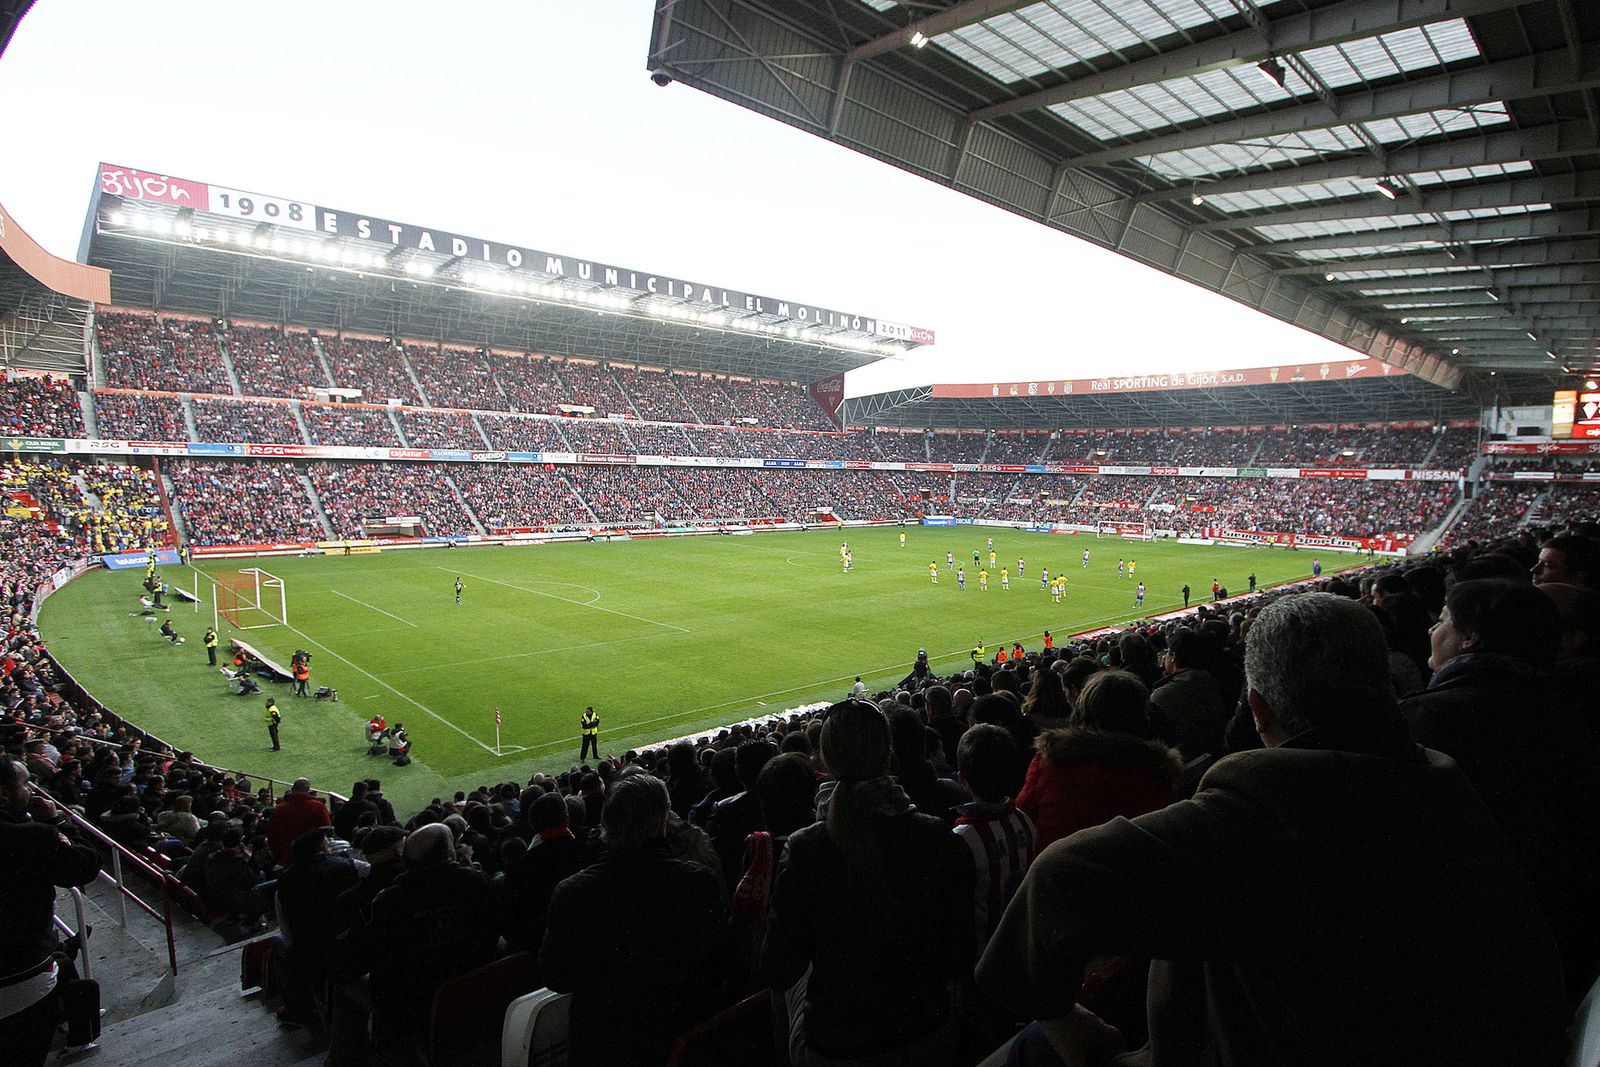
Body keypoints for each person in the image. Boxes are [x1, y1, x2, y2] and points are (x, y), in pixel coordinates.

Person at [979, 593, 1571, 1066]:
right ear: (1386, 687)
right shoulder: (1447, 782)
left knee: (1028, 1048)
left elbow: (1057, 880)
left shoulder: (1261, 815)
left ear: (1258, 710)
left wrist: (1060, 1019)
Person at [1401, 579, 1600, 1005]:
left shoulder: (1424, 719)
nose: (1433, 630)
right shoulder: (1575, 707)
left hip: (1468, 944)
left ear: (1470, 638)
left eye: (1444, 620)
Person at [762, 702, 974, 1065]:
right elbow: (960, 950)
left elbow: (778, 969)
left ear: (826, 762)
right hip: (929, 1029)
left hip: (839, 1043)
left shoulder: (806, 848)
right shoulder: (938, 835)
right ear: (888, 755)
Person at [540, 775, 727, 1066]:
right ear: (662, 823)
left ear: (606, 825)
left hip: (601, 1048)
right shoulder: (697, 884)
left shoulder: (571, 894)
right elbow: (719, 967)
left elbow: (555, 977)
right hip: (679, 1041)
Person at [0, 759, 101, 1067]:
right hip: (21, 980)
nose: (31, 790)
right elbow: (85, 865)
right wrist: (56, 822)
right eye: (25, 784)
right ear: (3, 794)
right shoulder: (30, 837)